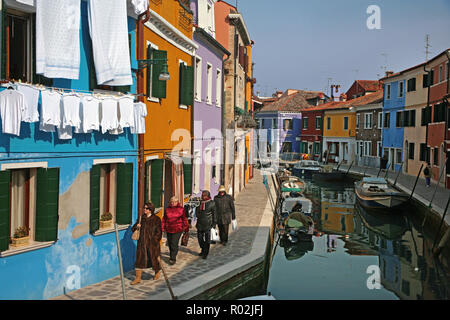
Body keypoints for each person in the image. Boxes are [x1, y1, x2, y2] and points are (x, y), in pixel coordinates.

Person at [131, 202, 162, 285]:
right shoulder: (141, 218)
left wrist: (154, 241)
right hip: (141, 244)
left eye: (147, 208)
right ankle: (138, 278)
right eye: (144, 208)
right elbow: (133, 229)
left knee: (154, 259)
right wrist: (136, 226)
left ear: (151, 209)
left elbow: (159, 232)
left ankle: (157, 271)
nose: (145, 209)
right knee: (139, 260)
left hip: (152, 244)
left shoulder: (156, 219)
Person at [162, 196, 189, 265]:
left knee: (174, 243)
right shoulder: (167, 209)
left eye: (174, 202)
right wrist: (162, 227)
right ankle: (173, 252)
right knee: (170, 243)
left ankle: (172, 258)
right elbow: (164, 219)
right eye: (171, 201)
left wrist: (186, 228)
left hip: (178, 229)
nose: (172, 203)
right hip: (169, 228)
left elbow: (184, 219)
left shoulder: (181, 209)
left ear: (177, 202)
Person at [196, 190, 216, 259]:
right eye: (202, 195)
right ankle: (203, 249)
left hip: (208, 224)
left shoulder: (212, 203)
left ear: (208, 196)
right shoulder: (200, 203)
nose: (203, 196)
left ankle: (205, 253)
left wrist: (214, 224)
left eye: (204, 195)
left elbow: (214, 214)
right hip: (200, 224)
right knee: (200, 239)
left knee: (207, 240)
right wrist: (198, 215)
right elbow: (197, 211)